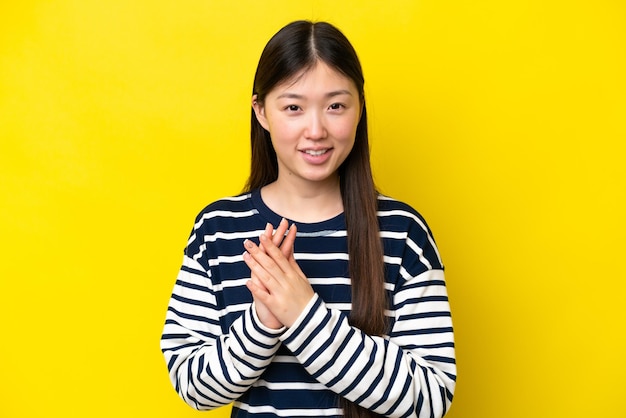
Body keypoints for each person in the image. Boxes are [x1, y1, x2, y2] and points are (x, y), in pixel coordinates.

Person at [161, 20, 456, 418]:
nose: (315, 130)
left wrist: (304, 315)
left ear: (359, 109)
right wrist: (262, 322)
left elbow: (431, 398)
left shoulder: (403, 232)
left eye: (336, 106)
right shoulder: (218, 229)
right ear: (261, 112)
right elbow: (194, 386)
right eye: (293, 107)